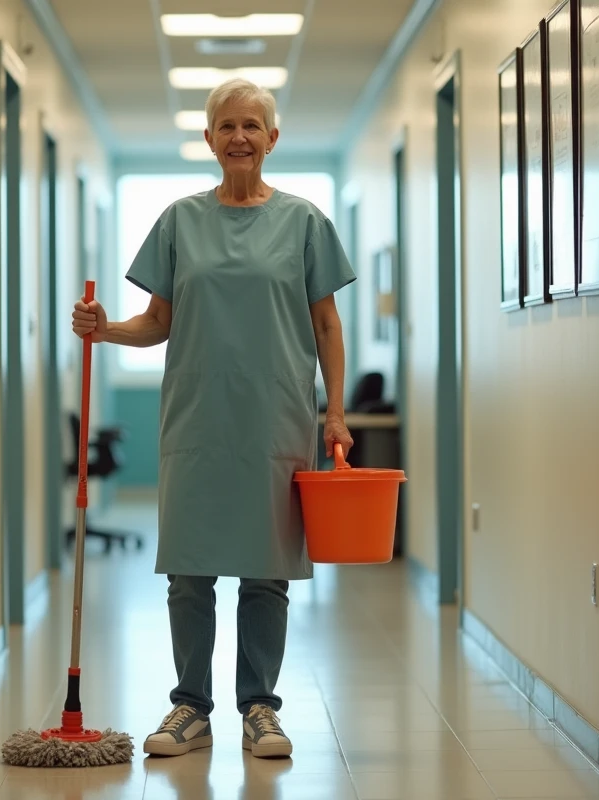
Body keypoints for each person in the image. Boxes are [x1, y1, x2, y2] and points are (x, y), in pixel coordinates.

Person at [70, 77, 355, 760]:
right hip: (197, 417)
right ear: (208, 138)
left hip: (276, 416)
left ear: (272, 138)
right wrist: (106, 329)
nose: (239, 137)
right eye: (227, 126)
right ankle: (190, 708)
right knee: (189, 570)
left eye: (252, 125)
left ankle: (259, 708)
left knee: (267, 570)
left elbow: (326, 323)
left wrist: (337, 411)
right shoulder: (179, 221)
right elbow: (158, 322)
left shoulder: (305, 222)